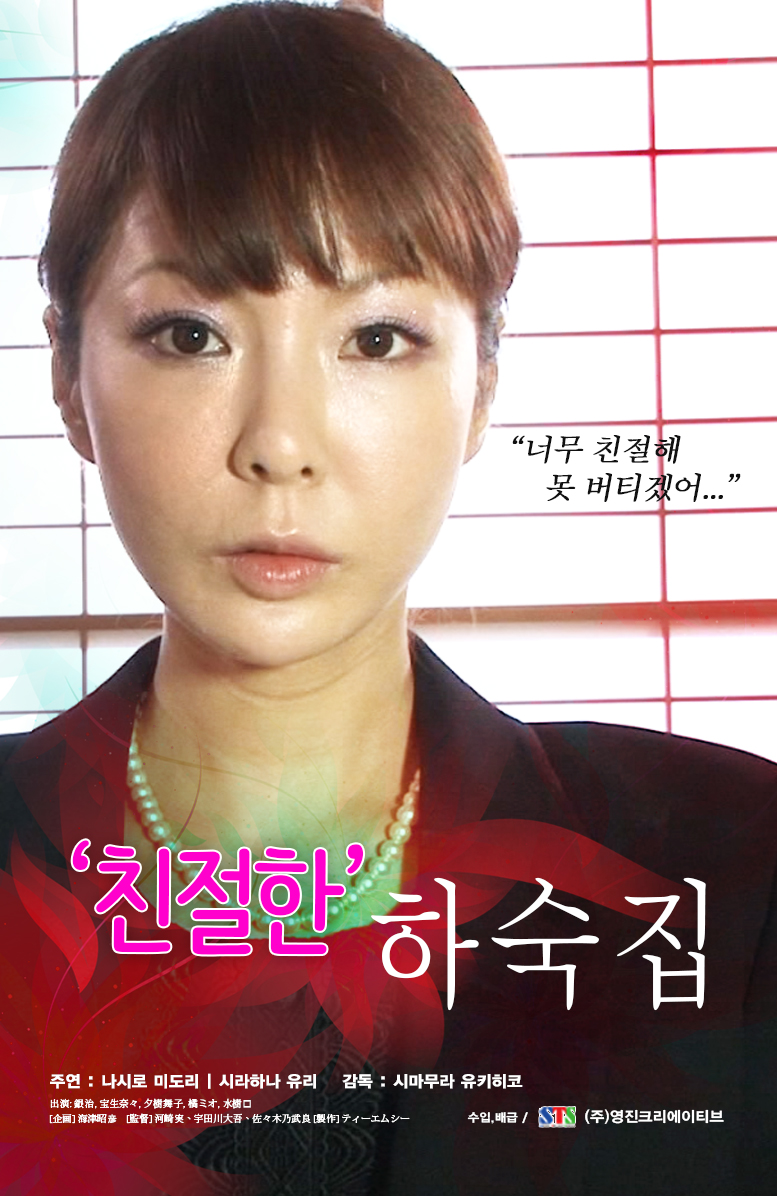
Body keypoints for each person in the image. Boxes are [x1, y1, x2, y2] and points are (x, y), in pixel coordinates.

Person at [0, 4, 775, 1194]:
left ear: (483, 384)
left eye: (375, 338)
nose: (280, 442)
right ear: (66, 373)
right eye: (191, 333)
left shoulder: (730, 866)